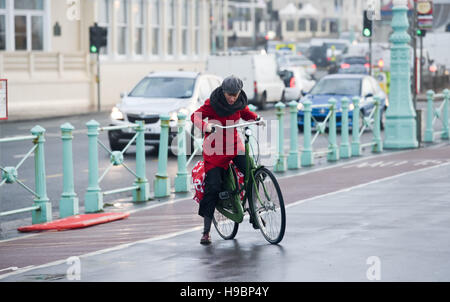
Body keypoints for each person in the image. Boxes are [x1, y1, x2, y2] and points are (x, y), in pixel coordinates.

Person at [191, 75, 264, 245]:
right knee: (213, 186)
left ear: (239, 92)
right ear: (223, 92)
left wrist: (256, 119)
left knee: (252, 172)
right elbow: (195, 116)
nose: (232, 98)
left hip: (234, 146)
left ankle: (254, 211)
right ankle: (206, 231)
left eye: (235, 95)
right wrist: (206, 126)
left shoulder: (239, 102)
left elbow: (245, 113)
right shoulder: (213, 103)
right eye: (229, 95)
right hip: (215, 150)